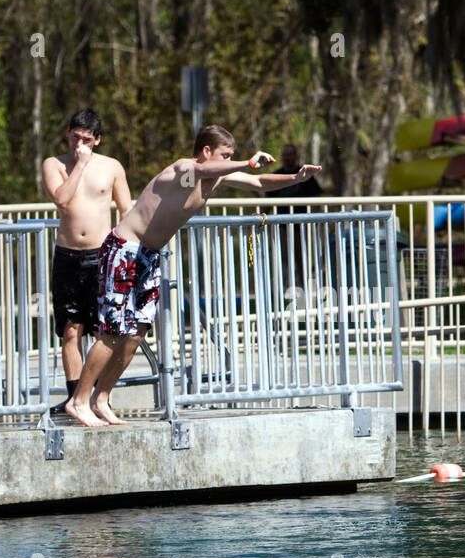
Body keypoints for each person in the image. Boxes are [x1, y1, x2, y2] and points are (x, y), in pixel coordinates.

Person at [65, 124, 322, 427]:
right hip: (124, 249)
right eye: (225, 156)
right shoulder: (184, 170)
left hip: (148, 256)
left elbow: (259, 183)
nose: (228, 162)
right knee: (112, 331)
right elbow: (200, 173)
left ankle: (101, 398)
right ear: (206, 152)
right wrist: (246, 162)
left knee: (136, 333)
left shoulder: (218, 175)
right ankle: (78, 400)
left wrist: (295, 178)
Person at [42, 109, 132, 412]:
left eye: (86, 139)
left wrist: (130, 253)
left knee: (103, 331)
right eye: (75, 137)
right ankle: (73, 398)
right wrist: (79, 165)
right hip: (68, 254)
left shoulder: (112, 167)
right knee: (70, 329)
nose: (79, 144)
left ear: (97, 140)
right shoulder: (54, 164)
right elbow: (62, 199)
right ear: (67, 133)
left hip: (101, 256)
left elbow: (126, 211)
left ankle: (95, 397)